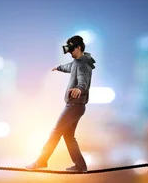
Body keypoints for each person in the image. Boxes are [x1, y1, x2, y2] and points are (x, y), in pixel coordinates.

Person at [25, 35, 96, 172]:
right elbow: (69, 67)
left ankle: (41, 161)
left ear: (79, 47)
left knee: (56, 132)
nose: (70, 53)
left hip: (74, 106)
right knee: (68, 136)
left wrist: (79, 89)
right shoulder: (77, 62)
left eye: (72, 49)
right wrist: (58, 67)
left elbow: (83, 81)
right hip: (76, 106)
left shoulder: (82, 65)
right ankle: (81, 166)